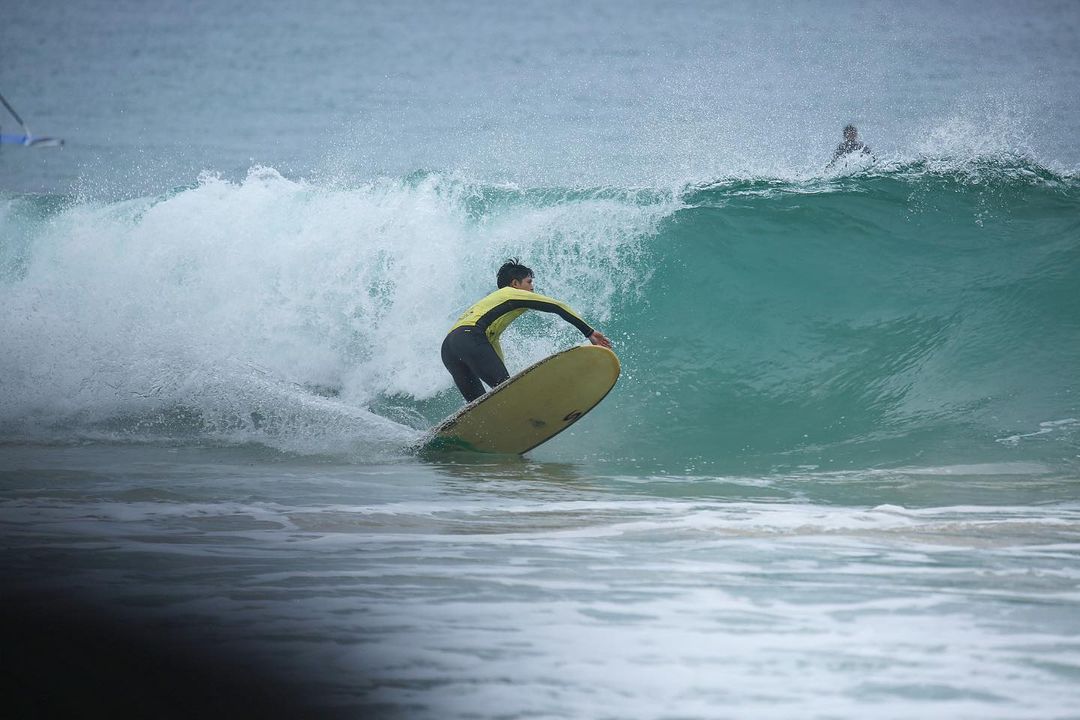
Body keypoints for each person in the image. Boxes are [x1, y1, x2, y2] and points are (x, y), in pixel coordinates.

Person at [441, 259, 612, 402]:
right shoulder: (510, 293)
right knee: (505, 392)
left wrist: (502, 376)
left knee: (479, 406)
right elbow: (557, 306)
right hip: (469, 337)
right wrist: (589, 332)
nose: (532, 288)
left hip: (449, 349)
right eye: (529, 282)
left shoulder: (491, 305)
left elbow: (488, 346)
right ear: (515, 283)